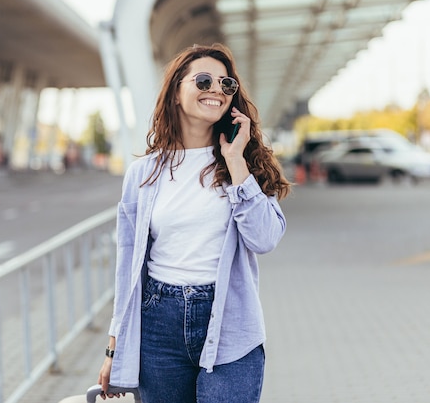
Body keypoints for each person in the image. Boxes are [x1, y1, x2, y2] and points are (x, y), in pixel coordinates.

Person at [97, 43, 291, 403]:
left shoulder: (244, 164)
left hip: (231, 322)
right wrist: (114, 348)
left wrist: (235, 161)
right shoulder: (143, 174)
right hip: (158, 323)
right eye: (204, 81)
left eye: (226, 84)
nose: (216, 89)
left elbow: (264, 239)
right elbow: (127, 268)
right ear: (175, 93)